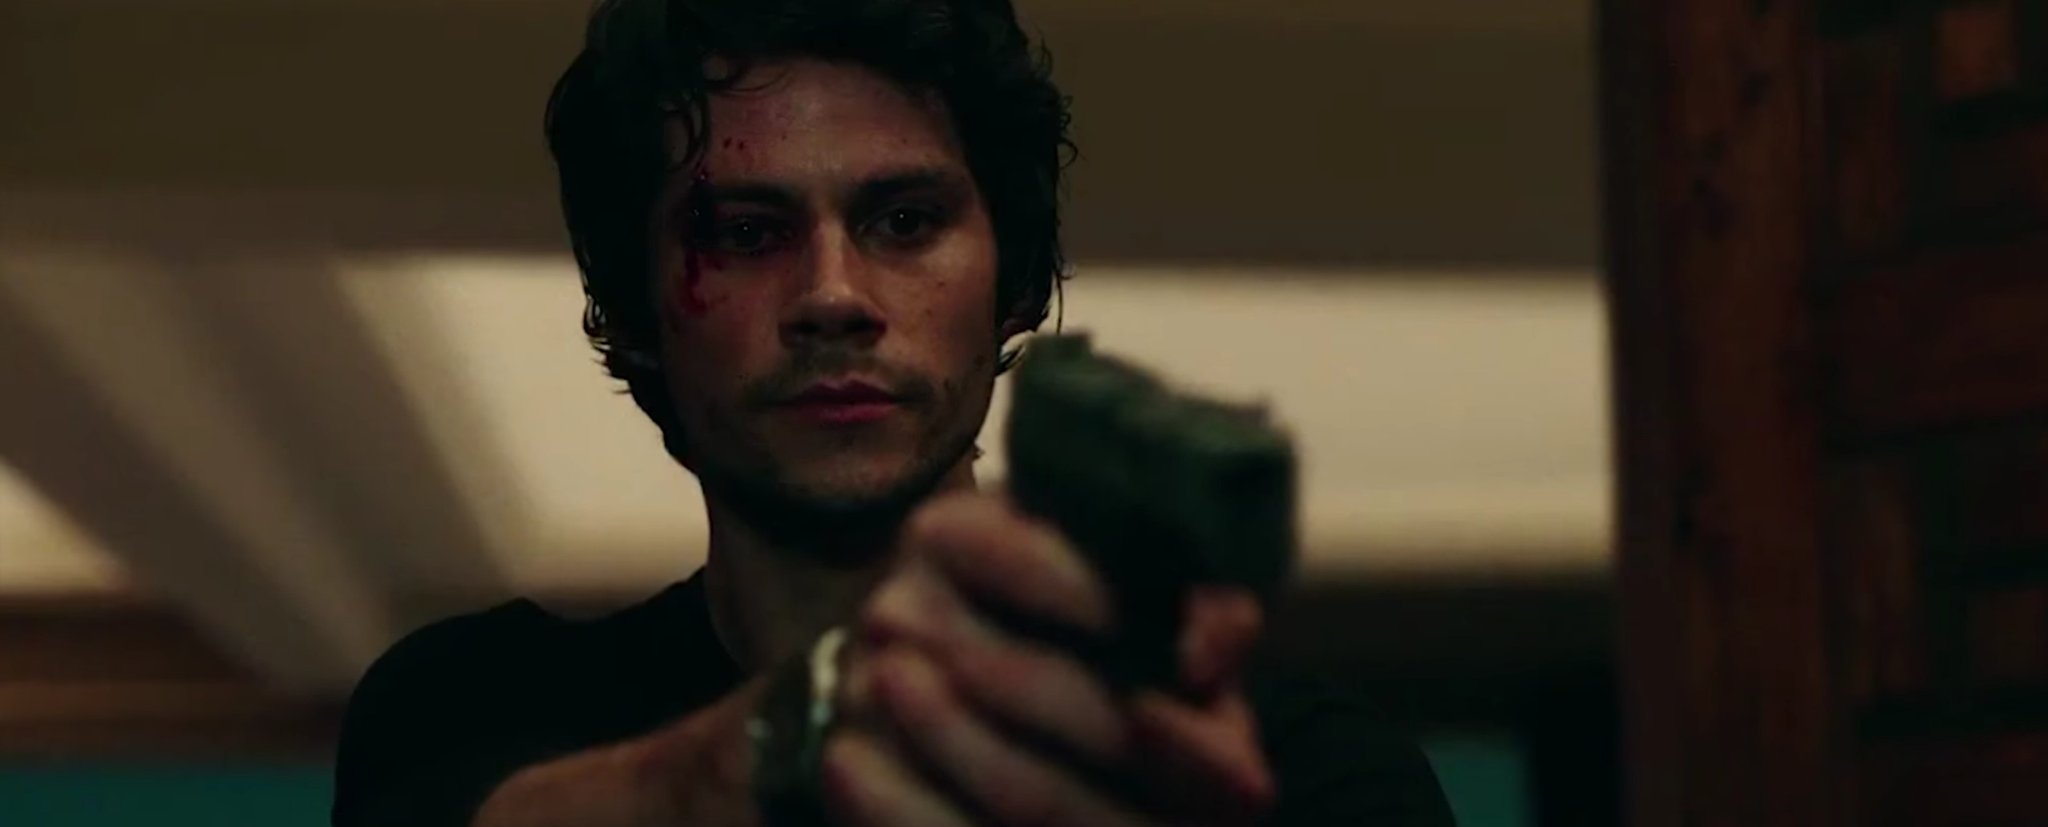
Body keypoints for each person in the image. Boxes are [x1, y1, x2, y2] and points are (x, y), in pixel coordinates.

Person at [330, 1, 1455, 825]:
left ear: (1013, 283)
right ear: (635, 312)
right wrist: (800, 740)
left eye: (905, 220)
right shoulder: (473, 708)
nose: (832, 295)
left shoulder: (1298, 771)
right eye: (746, 234)